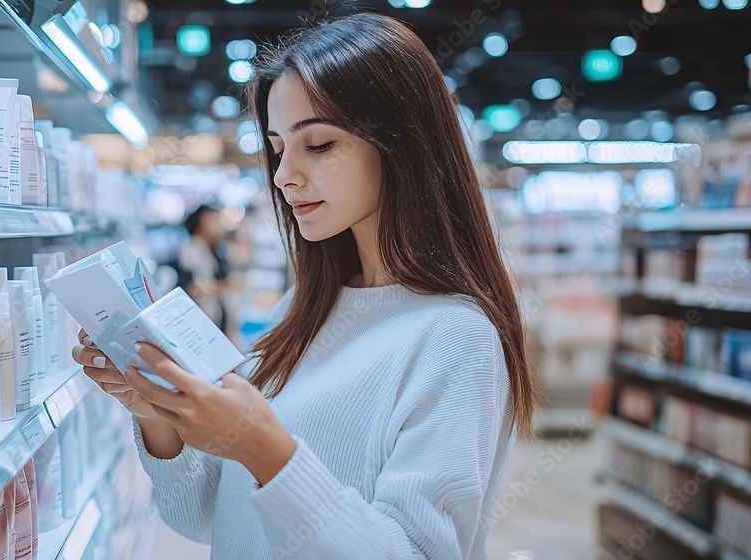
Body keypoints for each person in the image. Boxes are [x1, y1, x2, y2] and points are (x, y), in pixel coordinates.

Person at [73, 12, 536, 560]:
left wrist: (263, 446)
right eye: (276, 146)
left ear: (403, 146)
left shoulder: (456, 336)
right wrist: (154, 410)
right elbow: (207, 517)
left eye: (317, 144)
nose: (282, 174)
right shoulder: (303, 308)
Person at [171, 205, 231, 331]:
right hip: (198, 325)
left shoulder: (212, 251)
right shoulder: (192, 250)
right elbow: (195, 291)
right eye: (215, 220)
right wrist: (226, 285)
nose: (221, 226)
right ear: (203, 222)